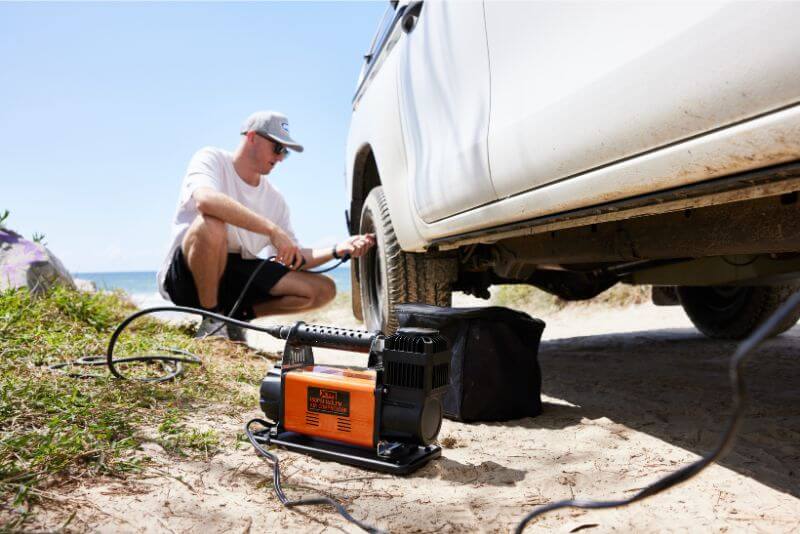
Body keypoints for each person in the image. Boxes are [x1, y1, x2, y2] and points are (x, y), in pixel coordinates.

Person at [156, 111, 375, 340]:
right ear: (252, 137)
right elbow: (205, 200)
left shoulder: (275, 199)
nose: (281, 157)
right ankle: (213, 321)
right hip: (187, 275)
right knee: (212, 223)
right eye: (277, 148)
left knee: (323, 289)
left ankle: (237, 318)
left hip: (236, 274)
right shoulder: (211, 159)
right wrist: (271, 230)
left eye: (285, 152)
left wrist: (337, 249)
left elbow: (294, 255)